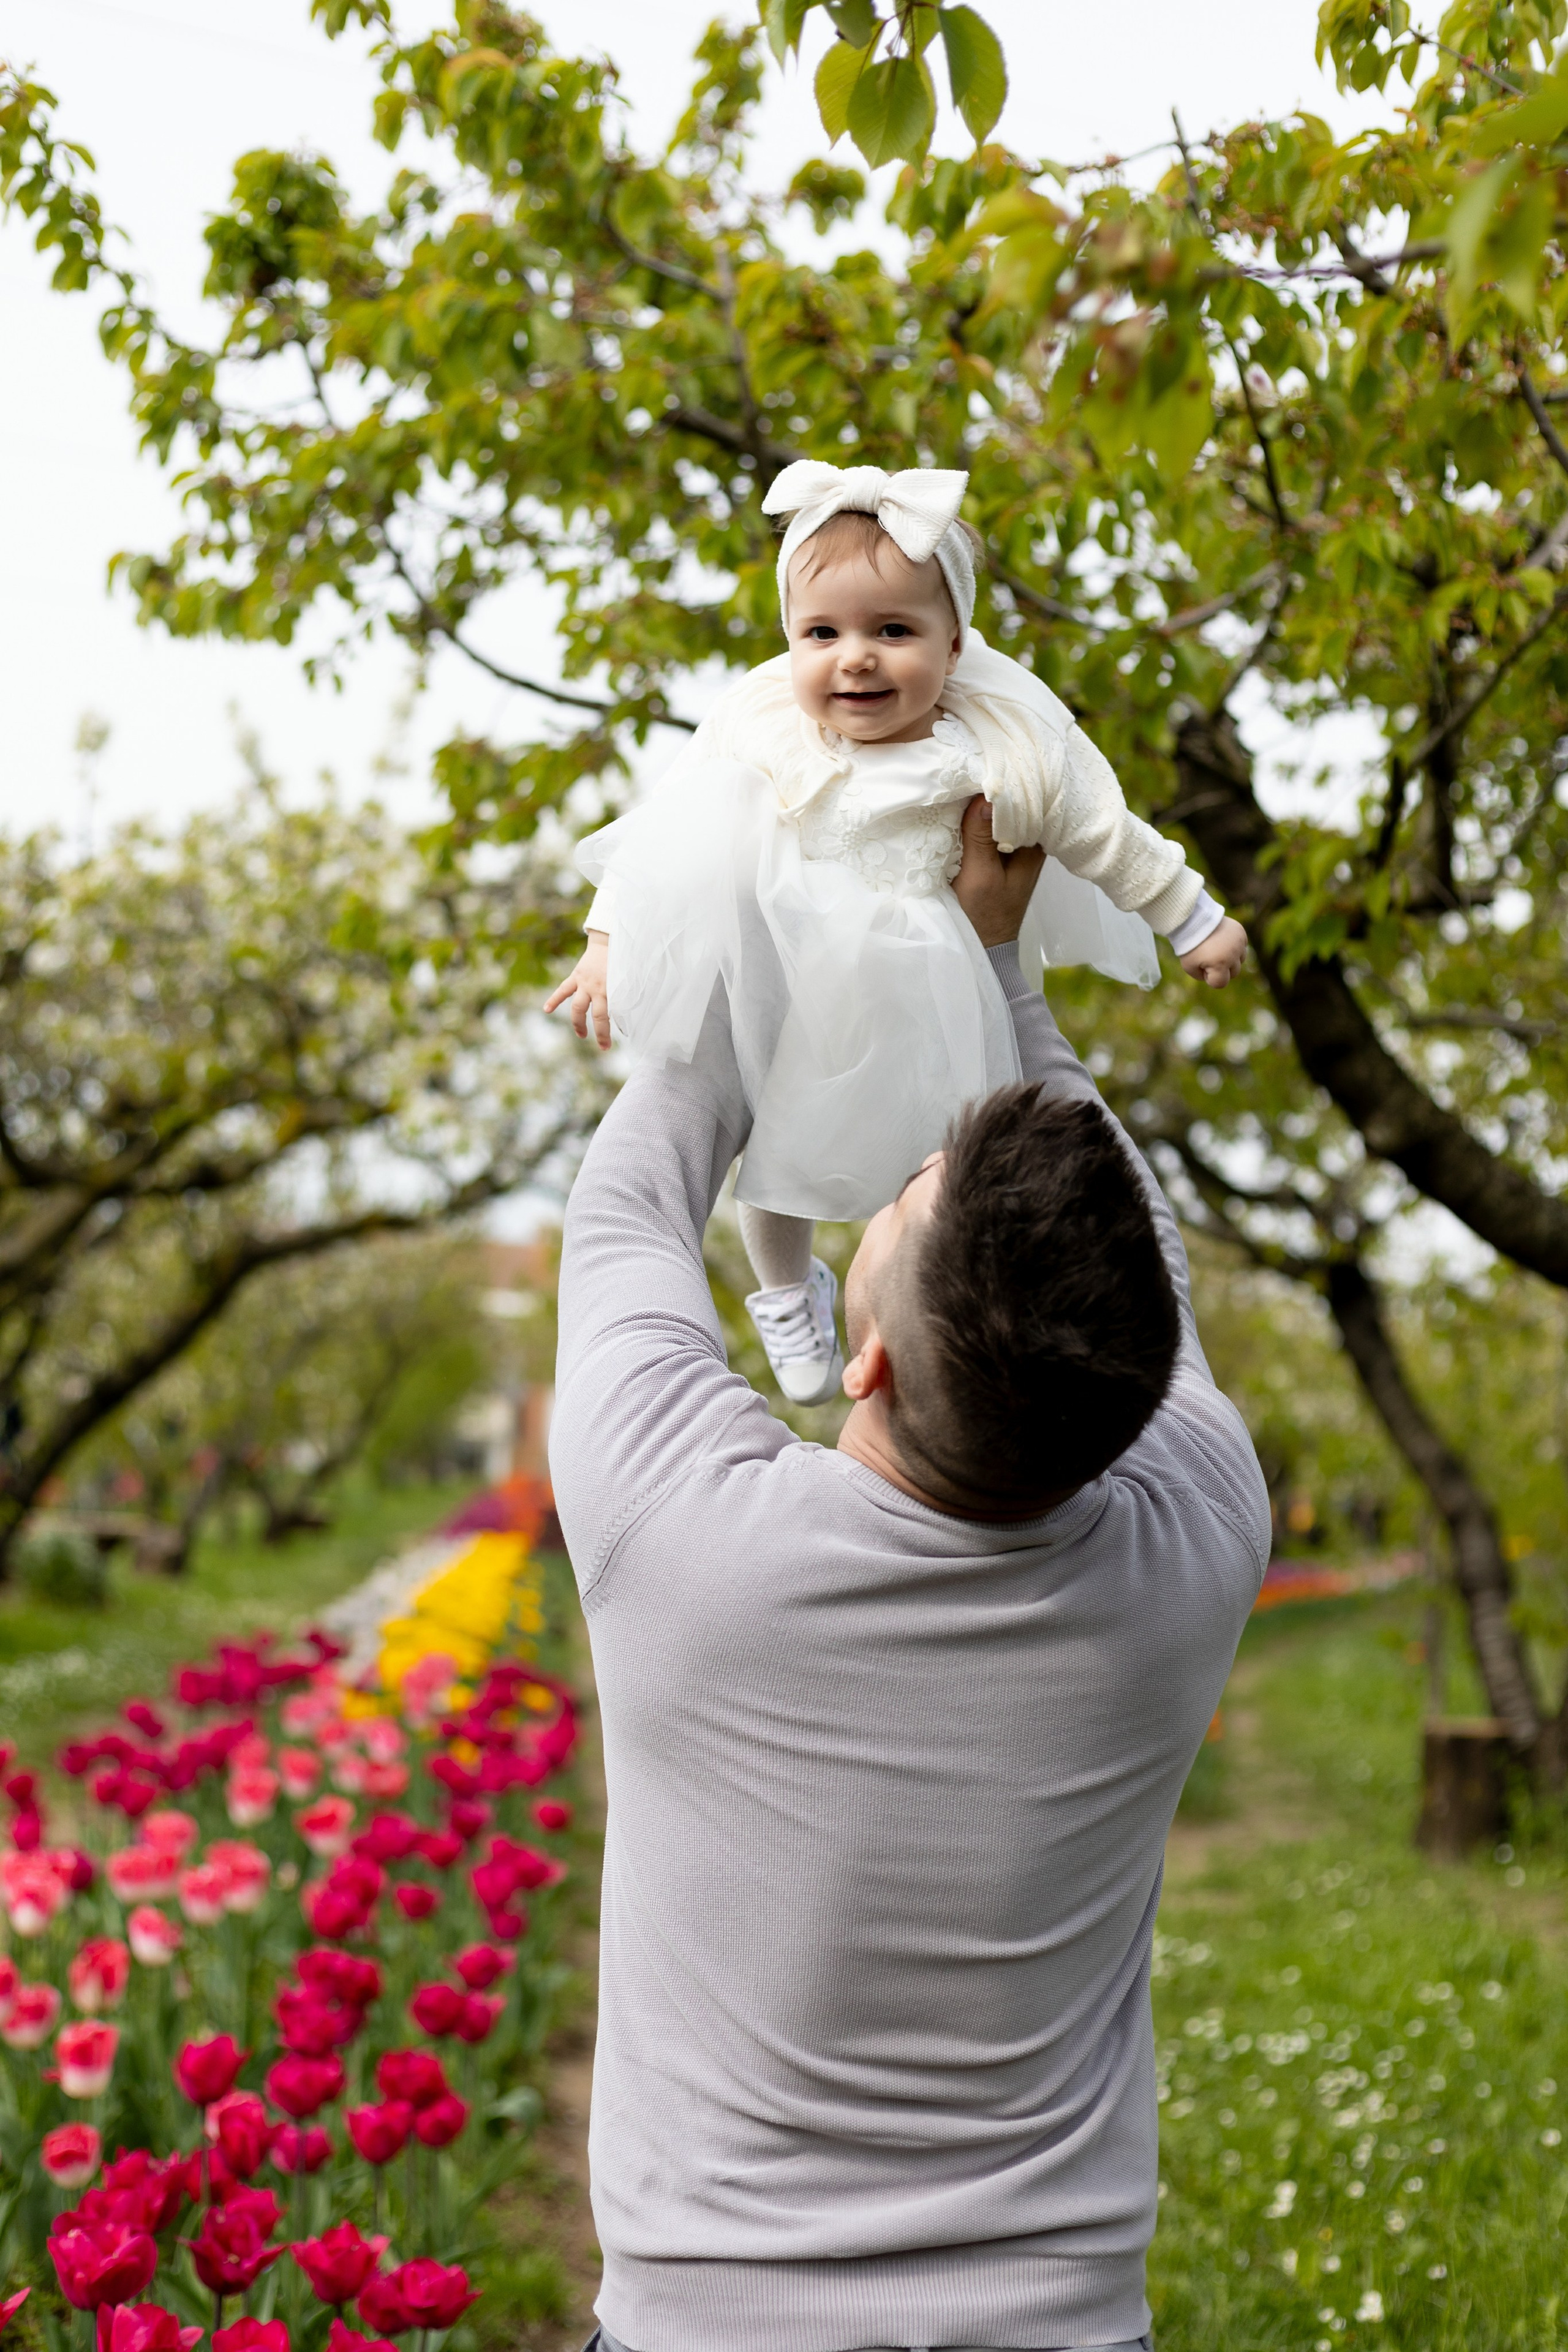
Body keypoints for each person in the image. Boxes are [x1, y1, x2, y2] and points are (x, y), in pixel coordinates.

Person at [549, 797, 1270, 2352]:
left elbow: (627, 1203)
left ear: (859, 1355)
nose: (889, 1185)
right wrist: (994, 961)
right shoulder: (1197, 1548)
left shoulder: (684, 1545)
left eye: (897, 1206)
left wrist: (758, 931)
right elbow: (1131, 1240)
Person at [546, 459, 1248, 1405]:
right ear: (788, 641)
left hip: (933, 987)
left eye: (893, 631)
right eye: (822, 633)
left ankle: (942, 1322)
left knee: (953, 1171)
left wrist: (1191, 918)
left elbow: (1101, 831)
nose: (856, 658)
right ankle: (787, 1292)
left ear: (954, 646)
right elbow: (664, 833)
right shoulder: (765, 729)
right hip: (800, 987)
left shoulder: (986, 746)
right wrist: (607, 944)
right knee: (774, 1171)